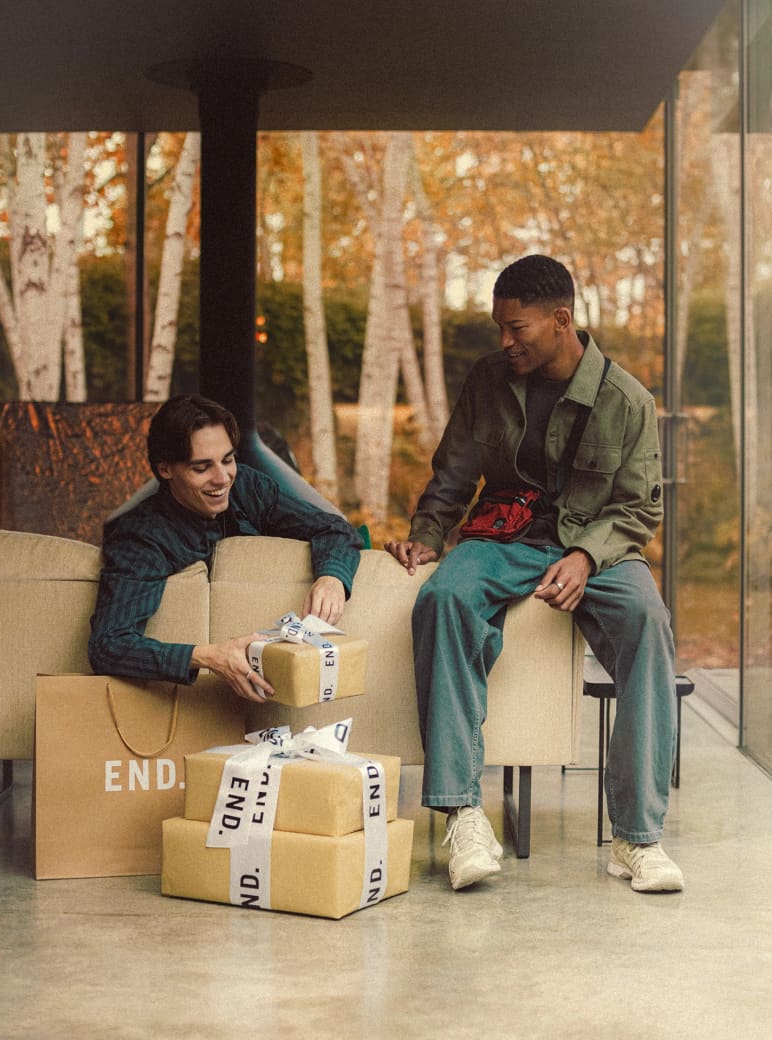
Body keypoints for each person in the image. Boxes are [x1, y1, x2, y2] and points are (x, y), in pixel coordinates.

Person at [385, 254, 683, 894]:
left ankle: (636, 839)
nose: (505, 341)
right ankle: (463, 815)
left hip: (596, 544)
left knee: (647, 622)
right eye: (500, 327)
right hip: (504, 533)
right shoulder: (489, 380)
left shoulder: (626, 399)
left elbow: (639, 508)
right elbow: (455, 472)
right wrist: (427, 537)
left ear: (560, 320)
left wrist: (584, 558)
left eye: (516, 328)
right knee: (443, 600)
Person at [89, 394, 362, 703]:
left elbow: (334, 527)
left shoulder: (249, 486)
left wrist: (332, 578)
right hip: (190, 703)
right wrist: (208, 657)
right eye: (202, 467)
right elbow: (109, 646)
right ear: (165, 469)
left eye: (228, 459)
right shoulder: (140, 538)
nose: (223, 479)